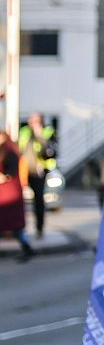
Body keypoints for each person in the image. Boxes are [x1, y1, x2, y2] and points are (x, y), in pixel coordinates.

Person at [17, 112, 54, 239]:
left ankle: (39, 227)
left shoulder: (47, 132)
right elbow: (19, 149)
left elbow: (48, 151)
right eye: (31, 120)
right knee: (17, 199)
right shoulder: (24, 131)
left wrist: (39, 135)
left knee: (38, 199)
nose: (32, 123)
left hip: (38, 171)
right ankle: (17, 228)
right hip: (23, 170)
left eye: (35, 121)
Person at [0, 132, 34, 262]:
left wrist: (4, 177)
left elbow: (12, 171)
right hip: (5, 194)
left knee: (14, 224)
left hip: (9, 194)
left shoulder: (10, 152)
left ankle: (27, 247)